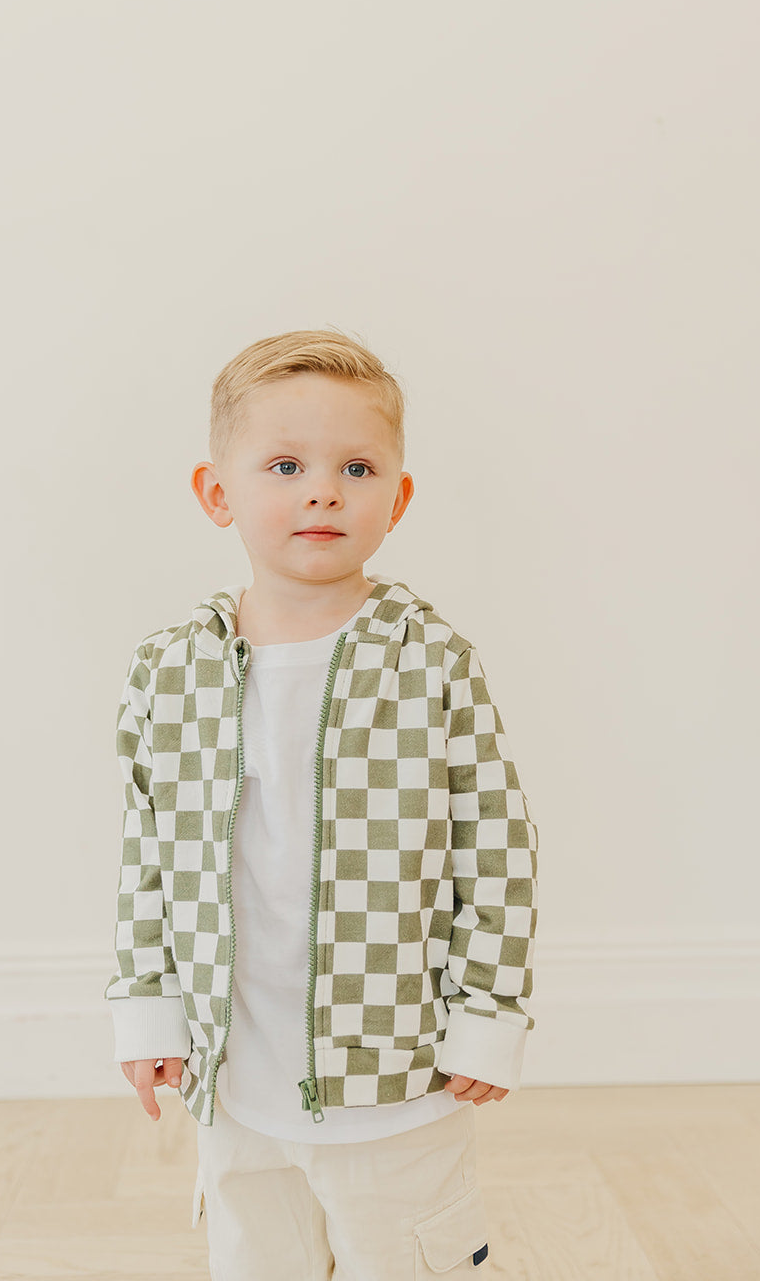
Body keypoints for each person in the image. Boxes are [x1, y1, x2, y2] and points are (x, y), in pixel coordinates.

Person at [104, 327, 539, 1280]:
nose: (322, 492)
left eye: (356, 467)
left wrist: (486, 1015)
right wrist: (149, 1010)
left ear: (397, 498)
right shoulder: (169, 671)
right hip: (234, 1076)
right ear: (217, 493)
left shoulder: (429, 660)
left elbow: (497, 848)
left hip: (394, 1075)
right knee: (257, 1259)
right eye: (285, 466)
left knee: (407, 1258)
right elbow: (146, 854)